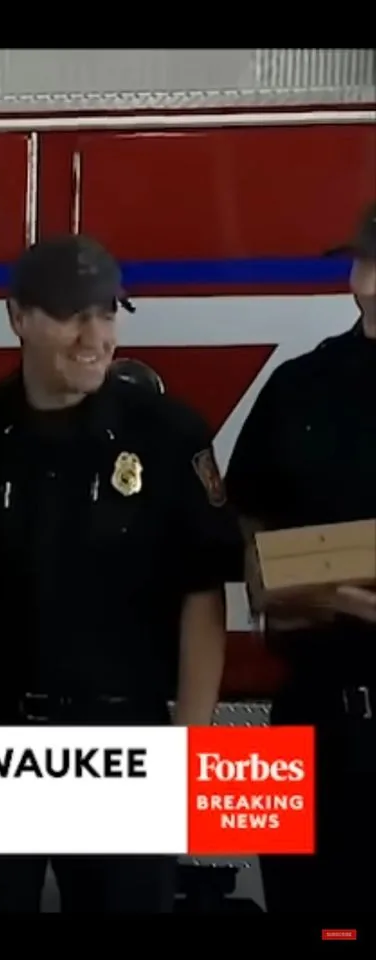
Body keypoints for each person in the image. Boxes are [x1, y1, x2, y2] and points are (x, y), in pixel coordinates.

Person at [0, 234, 240, 914]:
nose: (95, 335)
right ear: (16, 317)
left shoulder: (168, 435)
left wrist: (192, 752)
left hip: (122, 744)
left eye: (108, 313)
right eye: (71, 315)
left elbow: (201, 597)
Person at [225, 201, 376, 915]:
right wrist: (328, 597)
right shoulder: (300, 386)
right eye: (366, 262)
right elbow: (251, 540)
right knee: (311, 911)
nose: (370, 283)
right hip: (314, 713)